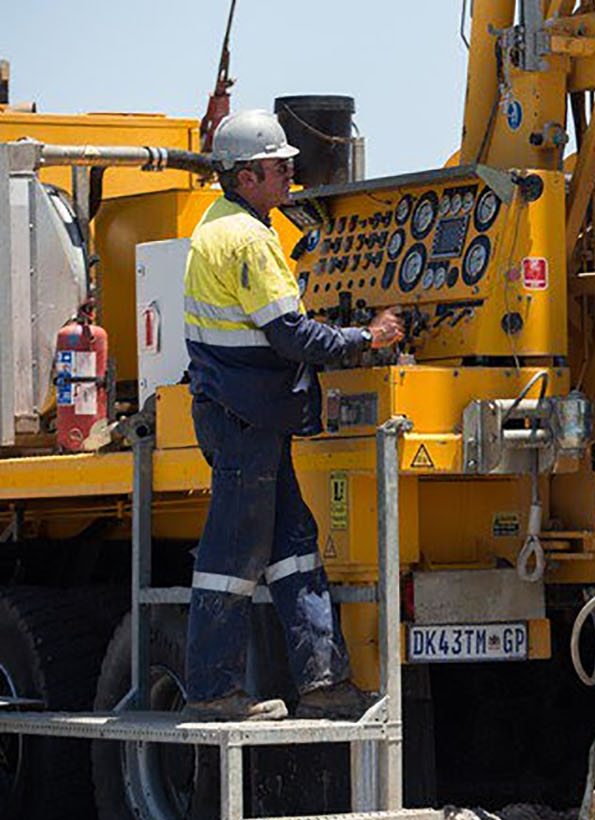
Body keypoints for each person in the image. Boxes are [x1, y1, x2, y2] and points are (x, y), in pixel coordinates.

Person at [182, 109, 404, 721]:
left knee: (294, 549)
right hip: (246, 416)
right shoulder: (249, 240)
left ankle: (324, 683)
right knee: (233, 558)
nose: (289, 175)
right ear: (246, 176)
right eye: (278, 167)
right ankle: (213, 692)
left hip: (249, 415)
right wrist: (367, 337)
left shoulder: (218, 224)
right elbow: (291, 335)